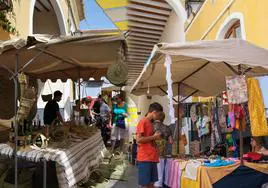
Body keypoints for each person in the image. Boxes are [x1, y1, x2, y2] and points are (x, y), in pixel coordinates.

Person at [136, 102, 163, 188]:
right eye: (158, 115)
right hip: (145, 158)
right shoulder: (143, 121)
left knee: (151, 183)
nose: (159, 117)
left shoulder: (150, 123)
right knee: (145, 184)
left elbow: (149, 138)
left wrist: (155, 138)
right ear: (154, 112)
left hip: (152, 157)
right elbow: (138, 139)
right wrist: (154, 137)